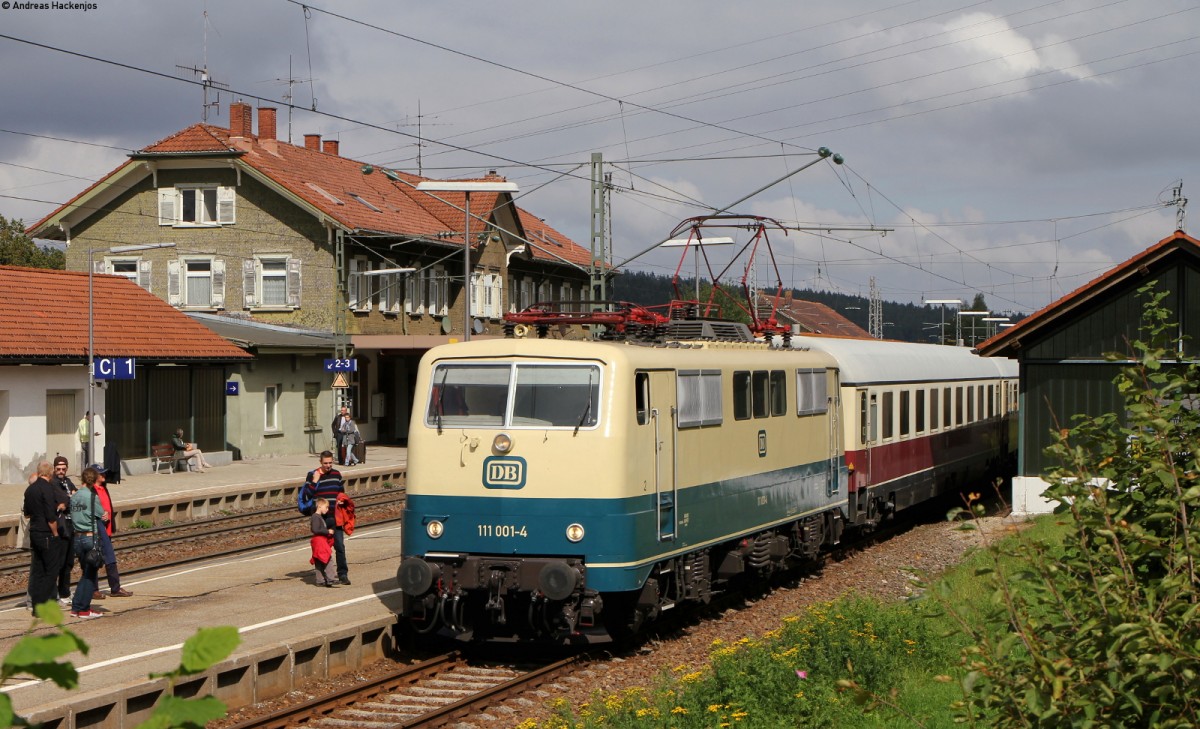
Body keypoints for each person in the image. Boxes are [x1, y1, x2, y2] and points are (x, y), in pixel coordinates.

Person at [22, 462, 68, 613]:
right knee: (51, 570)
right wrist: (55, 534)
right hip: (46, 533)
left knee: (39, 570)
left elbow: (27, 513)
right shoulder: (47, 488)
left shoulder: (30, 489)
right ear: (50, 473)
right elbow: (50, 516)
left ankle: (35, 605)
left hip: (34, 532)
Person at [303, 451, 349, 585]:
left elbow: (342, 493)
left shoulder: (337, 474)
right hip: (321, 519)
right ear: (320, 462)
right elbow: (307, 495)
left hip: (335, 517)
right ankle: (323, 577)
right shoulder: (313, 475)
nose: (328, 465)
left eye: (330, 463)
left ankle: (343, 574)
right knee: (322, 549)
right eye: (325, 463)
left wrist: (342, 500)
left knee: (339, 546)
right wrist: (314, 482)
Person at [68, 467, 106, 619]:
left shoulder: (74, 496)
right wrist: (106, 514)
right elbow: (101, 514)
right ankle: (83, 609)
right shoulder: (92, 496)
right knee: (90, 575)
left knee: (85, 572)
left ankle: (77, 606)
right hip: (90, 538)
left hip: (77, 538)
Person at [90, 463, 133, 598]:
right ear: (94, 476)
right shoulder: (91, 491)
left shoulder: (103, 488)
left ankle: (115, 588)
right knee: (95, 559)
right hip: (97, 529)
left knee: (110, 559)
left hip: (106, 529)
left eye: (104, 473)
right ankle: (94, 589)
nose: (104, 475)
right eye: (101, 473)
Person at [49, 456, 83, 606]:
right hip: (61, 525)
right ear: (54, 469)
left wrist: (71, 497)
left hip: (71, 524)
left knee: (69, 561)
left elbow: (78, 497)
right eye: (58, 469)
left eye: (63, 469)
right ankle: (57, 593)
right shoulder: (54, 482)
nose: (61, 471)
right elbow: (63, 499)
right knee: (61, 561)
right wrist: (71, 497)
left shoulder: (67, 481)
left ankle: (65, 592)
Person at [309, 498, 337, 587]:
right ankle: (331, 578)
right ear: (320, 506)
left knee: (319, 560)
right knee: (327, 558)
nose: (327, 509)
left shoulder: (317, 517)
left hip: (318, 541)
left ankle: (320, 580)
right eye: (326, 507)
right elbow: (315, 529)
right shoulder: (316, 517)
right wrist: (327, 531)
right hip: (319, 541)